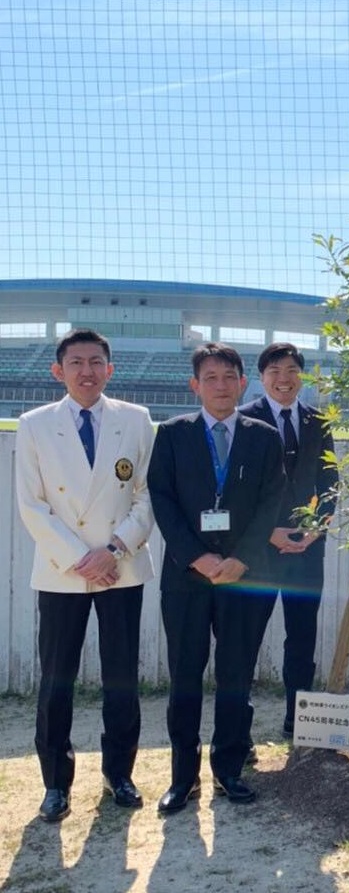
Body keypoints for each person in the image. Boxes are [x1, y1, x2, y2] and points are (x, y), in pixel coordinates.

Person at [15, 329, 155, 822]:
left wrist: (113, 549)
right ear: (58, 370)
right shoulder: (34, 424)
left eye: (96, 361)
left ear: (110, 369)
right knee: (56, 679)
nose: (87, 371)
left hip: (122, 565)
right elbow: (32, 505)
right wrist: (83, 557)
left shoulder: (136, 420)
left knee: (122, 676)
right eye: (76, 362)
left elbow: (147, 494)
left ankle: (120, 773)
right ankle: (56, 782)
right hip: (62, 571)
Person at [147, 342, 285, 813]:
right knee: (185, 676)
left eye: (229, 377)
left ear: (243, 383)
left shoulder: (263, 436)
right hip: (187, 578)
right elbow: (161, 498)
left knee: (235, 676)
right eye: (211, 377)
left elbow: (271, 501)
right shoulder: (173, 434)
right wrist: (196, 557)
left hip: (243, 576)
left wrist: (241, 558)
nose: (221, 386)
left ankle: (229, 770)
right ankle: (182, 778)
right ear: (195, 385)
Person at [239, 342, 339, 737]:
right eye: (275, 371)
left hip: (306, 549)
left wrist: (316, 528)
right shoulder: (245, 419)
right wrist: (267, 533)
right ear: (262, 377)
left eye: (292, 371)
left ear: (302, 376)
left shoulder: (318, 421)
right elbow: (238, 489)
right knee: (247, 636)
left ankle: (299, 722)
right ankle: (239, 726)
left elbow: (330, 482)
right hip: (258, 551)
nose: (284, 379)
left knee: (302, 635)